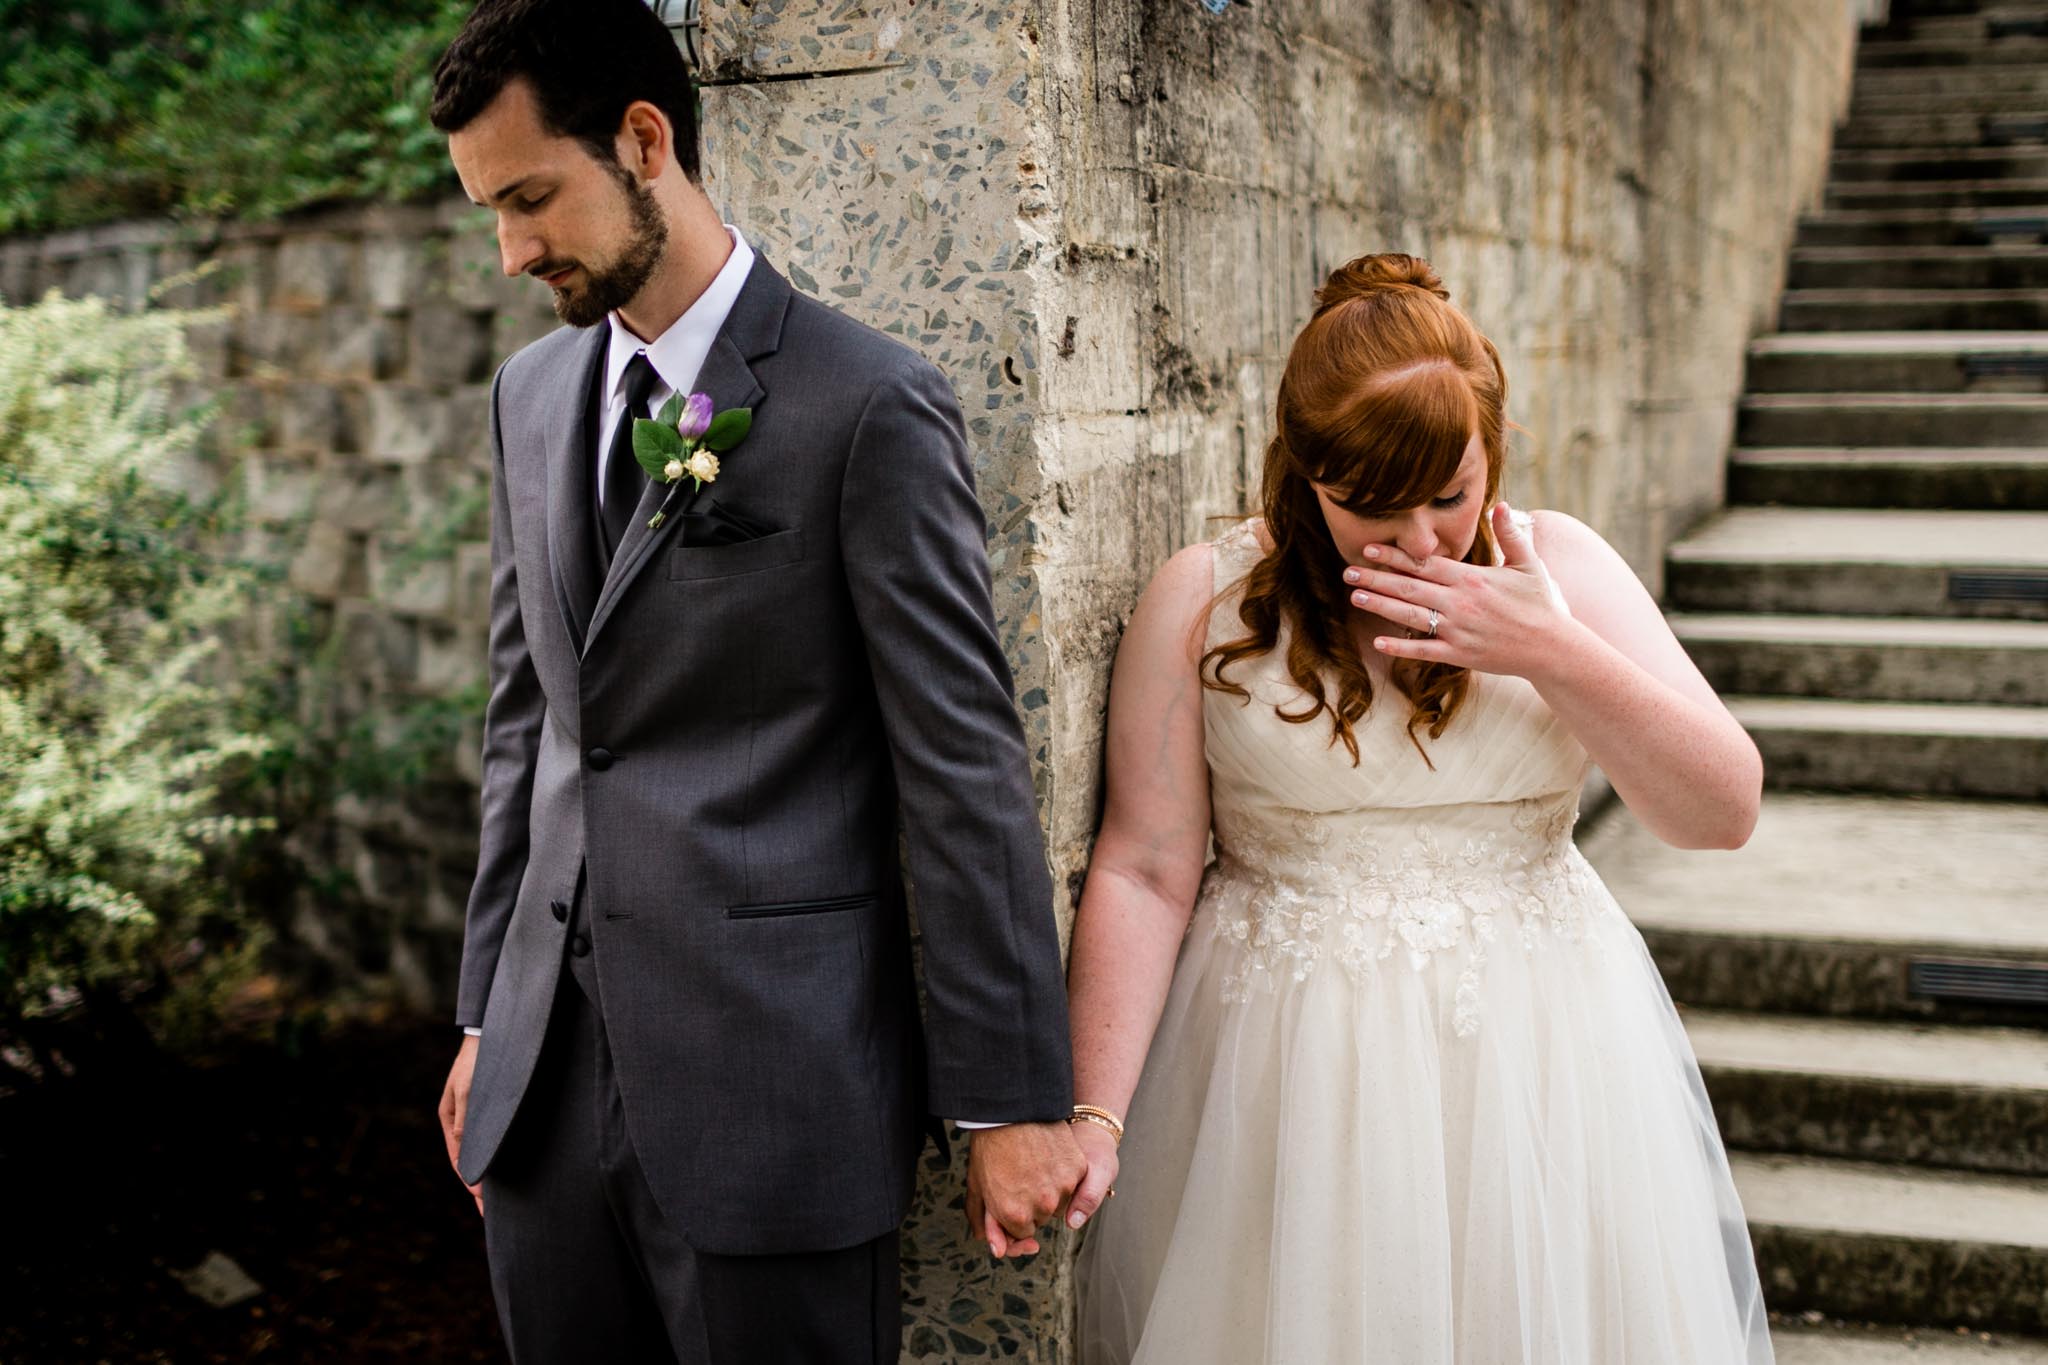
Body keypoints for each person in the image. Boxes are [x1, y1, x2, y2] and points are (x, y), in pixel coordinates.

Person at [426, 2, 1085, 1360]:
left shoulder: (867, 404)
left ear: (645, 139)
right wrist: (490, 1006)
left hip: (774, 1099)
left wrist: (1011, 1099)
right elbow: (526, 732)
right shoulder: (530, 397)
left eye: (533, 198)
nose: (511, 252)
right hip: (541, 1103)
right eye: (490, 211)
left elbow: (962, 766)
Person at [1061, 253, 1775, 1364]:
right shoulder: (1201, 598)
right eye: (1369, 509)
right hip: (1282, 1069)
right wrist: (1095, 1116)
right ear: (1306, 475)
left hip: (1540, 1060)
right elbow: (1145, 866)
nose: (1423, 541)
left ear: (1490, 448)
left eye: (1449, 494)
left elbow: (1719, 811)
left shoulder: (1566, 570)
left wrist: (1549, 650)